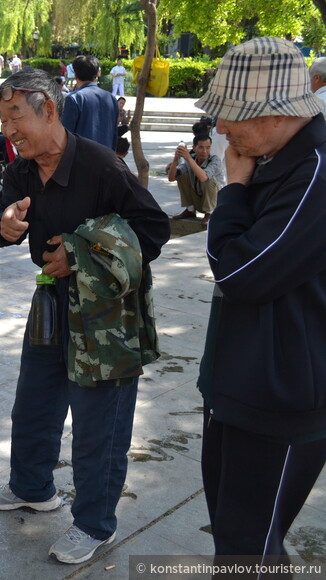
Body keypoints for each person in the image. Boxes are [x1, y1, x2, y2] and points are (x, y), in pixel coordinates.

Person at [0, 69, 170, 565]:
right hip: (50, 303)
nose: (9, 130)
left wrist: (83, 255)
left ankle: (94, 524)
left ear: (48, 107)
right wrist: (3, 225)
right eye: (3, 119)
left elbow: (153, 229)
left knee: (98, 423)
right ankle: (31, 486)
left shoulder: (101, 165)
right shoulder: (22, 168)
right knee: (35, 402)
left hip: (106, 317)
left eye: (16, 116)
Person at [193, 36, 326, 562]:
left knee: (249, 549)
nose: (221, 129)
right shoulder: (272, 156)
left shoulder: (313, 171)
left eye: (230, 115)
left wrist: (232, 190)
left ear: (277, 115)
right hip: (238, 379)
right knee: (236, 538)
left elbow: (239, 272)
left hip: (281, 394)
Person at [62, 54, 118, 150]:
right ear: (97, 73)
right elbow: (114, 134)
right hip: (106, 158)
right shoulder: (111, 99)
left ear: (75, 74)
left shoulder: (74, 98)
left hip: (81, 159)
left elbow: (65, 136)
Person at [167, 134, 224, 226]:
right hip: (199, 200)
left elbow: (204, 177)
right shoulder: (191, 158)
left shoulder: (214, 160)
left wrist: (188, 158)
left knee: (207, 179)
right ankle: (190, 210)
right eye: (201, 147)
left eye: (208, 147)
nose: (205, 151)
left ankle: (210, 213)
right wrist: (175, 159)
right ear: (194, 148)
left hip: (216, 203)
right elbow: (171, 178)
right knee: (182, 175)